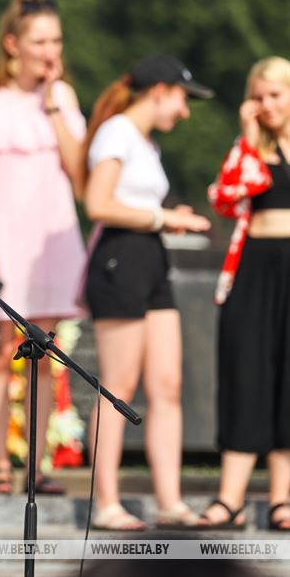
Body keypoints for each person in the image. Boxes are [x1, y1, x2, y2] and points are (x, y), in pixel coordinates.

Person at [0, 0, 86, 495]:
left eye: (56, 40)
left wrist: (52, 103)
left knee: (44, 353)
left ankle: (36, 464)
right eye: (40, 41)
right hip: (0, 237)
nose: (50, 50)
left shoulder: (63, 97)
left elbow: (79, 170)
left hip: (50, 238)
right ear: (13, 44)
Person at [82, 54, 213, 530]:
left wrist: (167, 220)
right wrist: (165, 217)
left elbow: (135, 204)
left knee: (167, 384)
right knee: (118, 385)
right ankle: (106, 503)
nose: (185, 111)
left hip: (151, 257)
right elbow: (98, 203)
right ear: (159, 91)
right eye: (182, 98)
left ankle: (170, 501)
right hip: (120, 258)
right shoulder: (116, 131)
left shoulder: (146, 144)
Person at [200, 56, 290, 531]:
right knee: (245, 373)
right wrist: (250, 137)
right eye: (258, 97)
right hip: (254, 267)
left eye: (275, 95)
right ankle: (229, 499)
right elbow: (226, 196)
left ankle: (282, 498)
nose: (266, 105)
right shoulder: (248, 148)